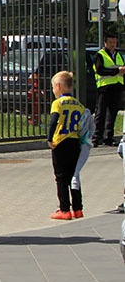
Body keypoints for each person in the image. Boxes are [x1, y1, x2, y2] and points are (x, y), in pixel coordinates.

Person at [46, 71, 87, 220]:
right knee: (74, 176)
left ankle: (64, 210)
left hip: (60, 142)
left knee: (61, 177)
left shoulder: (58, 103)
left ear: (58, 86)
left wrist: (50, 138)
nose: (53, 91)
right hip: (74, 141)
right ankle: (78, 208)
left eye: (53, 87)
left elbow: (54, 120)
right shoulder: (78, 104)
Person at [92, 32, 125, 147]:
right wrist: (117, 71)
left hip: (117, 87)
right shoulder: (100, 55)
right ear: (105, 43)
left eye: (114, 42)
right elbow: (100, 70)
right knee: (100, 113)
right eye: (110, 42)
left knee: (113, 113)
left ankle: (109, 138)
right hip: (104, 87)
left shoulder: (119, 55)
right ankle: (96, 138)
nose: (112, 44)